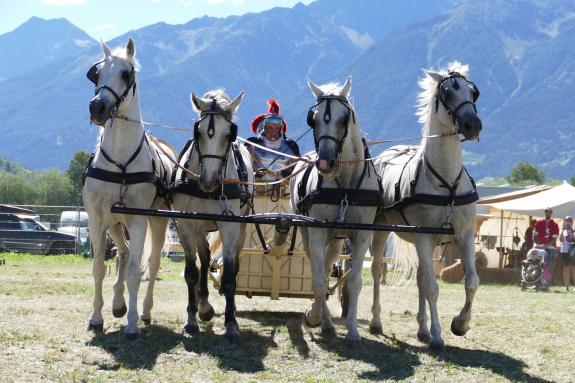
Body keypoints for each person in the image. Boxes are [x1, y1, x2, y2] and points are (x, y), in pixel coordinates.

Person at [247, 99, 300, 184]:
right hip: (256, 188)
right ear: (265, 128)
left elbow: (298, 167)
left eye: (276, 128)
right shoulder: (252, 144)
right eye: (270, 128)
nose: (273, 131)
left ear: (281, 129)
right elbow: (245, 164)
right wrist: (255, 171)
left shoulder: (291, 147)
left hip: (284, 191)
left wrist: (288, 172)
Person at [532, 207, 560, 289]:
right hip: (540, 248)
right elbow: (534, 235)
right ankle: (537, 283)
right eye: (546, 212)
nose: (547, 213)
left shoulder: (555, 225)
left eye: (549, 212)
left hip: (551, 248)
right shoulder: (539, 223)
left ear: (551, 213)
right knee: (538, 265)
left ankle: (546, 285)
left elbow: (554, 238)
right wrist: (536, 243)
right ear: (545, 213)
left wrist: (546, 246)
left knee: (549, 266)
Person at [559, 216, 575, 293]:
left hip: (572, 251)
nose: (568, 222)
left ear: (572, 222)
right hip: (565, 251)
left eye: (569, 221)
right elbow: (561, 239)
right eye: (566, 221)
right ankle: (566, 287)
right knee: (566, 269)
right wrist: (563, 229)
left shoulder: (574, 230)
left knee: (573, 269)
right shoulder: (563, 230)